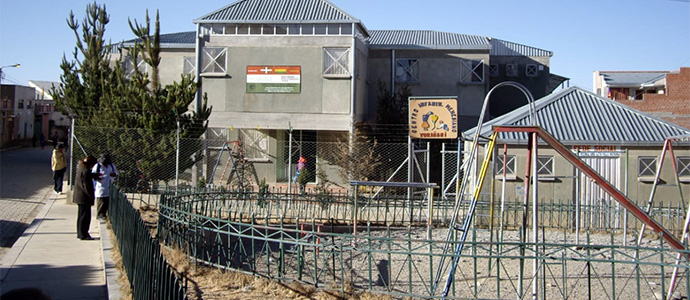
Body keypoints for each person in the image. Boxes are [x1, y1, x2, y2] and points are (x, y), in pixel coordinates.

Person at [74, 155, 98, 240]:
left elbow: (86, 176)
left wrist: (94, 176)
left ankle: (80, 233)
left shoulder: (82, 168)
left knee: (81, 215)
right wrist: (92, 196)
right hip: (84, 197)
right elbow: (87, 186)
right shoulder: (86, 171)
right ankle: (84, 234)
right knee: (85, 217)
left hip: (79, 196)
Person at [93, 153, 117, 220]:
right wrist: (97, 177)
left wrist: (113, 174)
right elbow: (93, 175)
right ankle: (100, 215)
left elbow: (116, 172)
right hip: (100, 187)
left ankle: (106, 215)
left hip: (109, 187)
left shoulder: (111, 166)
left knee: (108, 202)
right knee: (101, 202)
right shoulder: (97, 166)